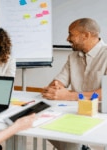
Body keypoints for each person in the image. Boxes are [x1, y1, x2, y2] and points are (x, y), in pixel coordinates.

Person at [42, 18, 107, 150]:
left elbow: (105, 94)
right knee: (42, 122)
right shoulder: (73, 56)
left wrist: (69, 95)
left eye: (71, 34)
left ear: (86, 35)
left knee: (67, 138)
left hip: (99, 113)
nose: (67, 38)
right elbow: (58, 81)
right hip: (74, 110)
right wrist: (55, 88)